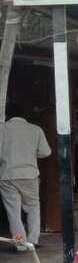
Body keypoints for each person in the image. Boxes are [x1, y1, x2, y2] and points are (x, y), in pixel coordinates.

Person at [0, 103, 51, 249]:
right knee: (33, 207)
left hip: (7, 175)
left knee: (13, 211)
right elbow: (45, 152)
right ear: (25, 116)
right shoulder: (36, 129)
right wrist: (29, 154)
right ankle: (33, 240)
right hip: (29, 175)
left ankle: (21, 244)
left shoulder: (2, 129)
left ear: (7, 115)